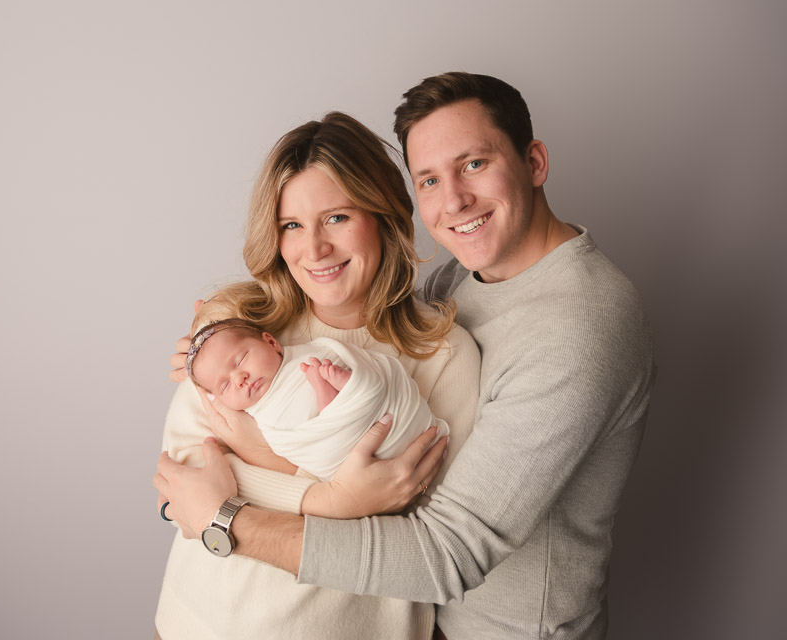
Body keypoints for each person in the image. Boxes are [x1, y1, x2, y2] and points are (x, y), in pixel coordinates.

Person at [155, 72, 656, 640]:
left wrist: (235, 506)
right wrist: (324, 496)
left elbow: (440, 544)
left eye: (474, 164)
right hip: (194, 622)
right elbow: (180, 481)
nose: (454, 201)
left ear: (535, 162)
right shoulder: (453, 285)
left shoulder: (575, 327)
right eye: (430, 180)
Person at [153, 111, 480, 640]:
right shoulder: (233, 329)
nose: (314, 249)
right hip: (198, 623)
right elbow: (182, 478)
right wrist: (337, 501)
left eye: (337, 218)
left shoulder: (443, 355)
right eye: (292, 226)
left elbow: (428, 539)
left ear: (383, 215)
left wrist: (250, 465)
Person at [185, 316, 450, 481]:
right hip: (332, 450)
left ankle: (350, 390)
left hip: (397, 424)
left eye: (241, 359)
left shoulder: (307, 356)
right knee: (320, 414)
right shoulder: (251, 418)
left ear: (271, 342)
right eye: (225, 385)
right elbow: (187, 483)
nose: (239, 378)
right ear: (216, 399)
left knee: (336, 372)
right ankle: (337, 399)